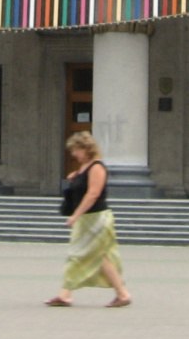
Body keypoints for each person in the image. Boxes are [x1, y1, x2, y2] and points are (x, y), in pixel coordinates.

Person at [45, 130, 131, 308]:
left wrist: (75, 216)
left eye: (76, 150)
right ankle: (121, 294)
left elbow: (93, 194)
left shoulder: (97, 167)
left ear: (87, 148)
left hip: (97, 218)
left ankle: (67, 294)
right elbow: (81, 189)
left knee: (84, 255)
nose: (74, 154)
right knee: (96, 256)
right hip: (87, 219)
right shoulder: (83, 168)